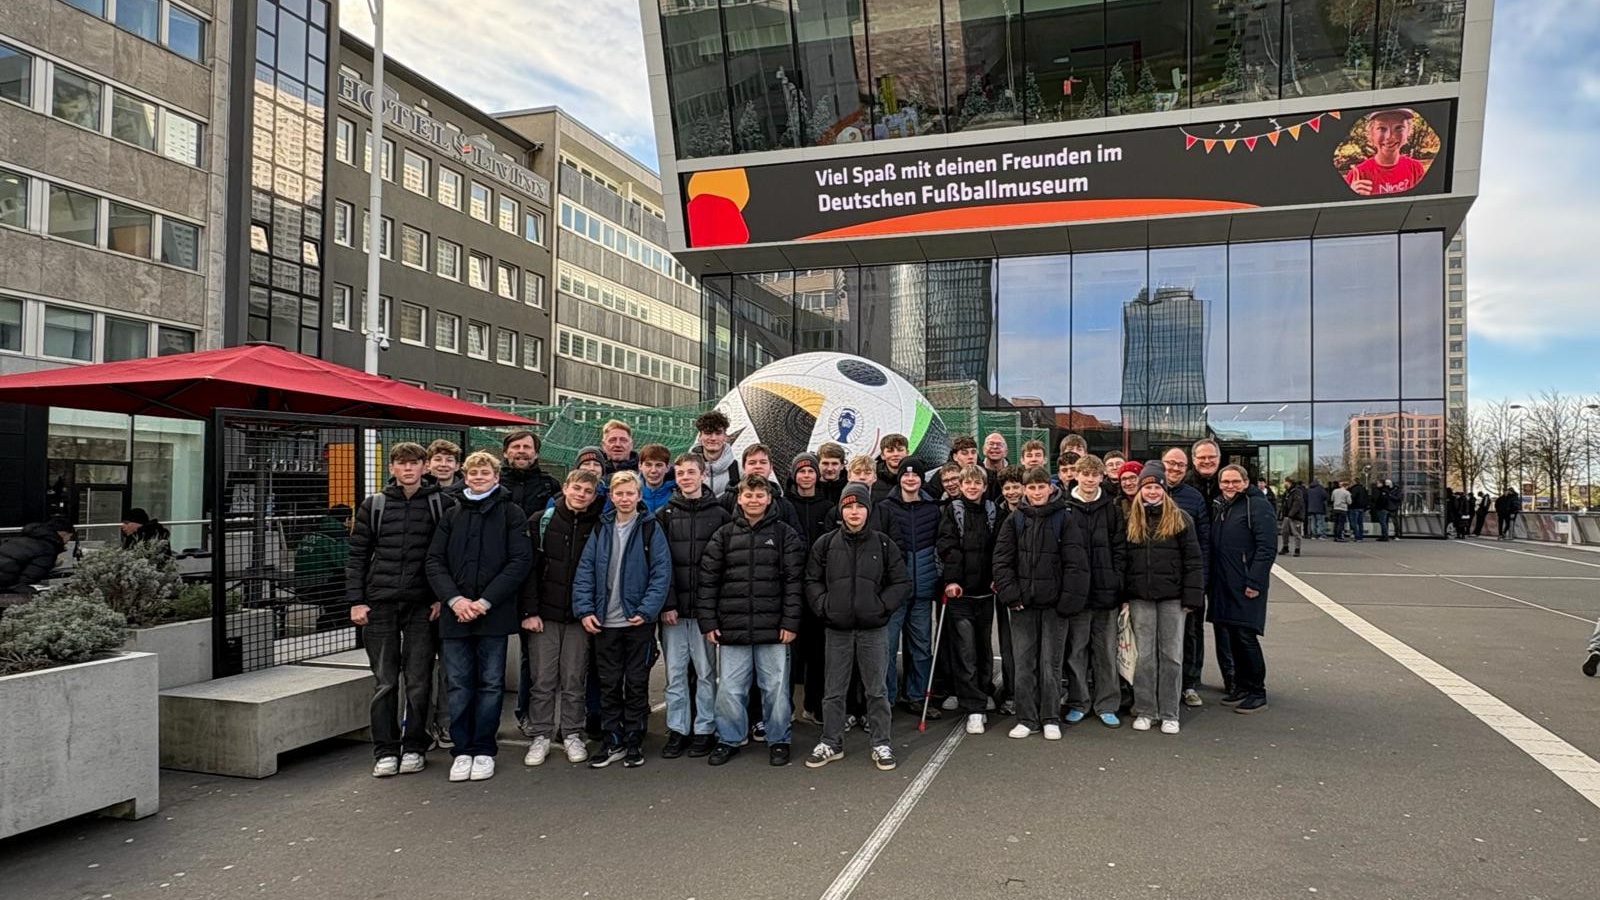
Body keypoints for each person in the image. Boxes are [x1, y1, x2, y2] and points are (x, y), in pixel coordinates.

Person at [427, 451, 533, 783]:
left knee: (490, 684)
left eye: (484, 473)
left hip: (493, 613)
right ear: (465, 475)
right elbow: (434, 561)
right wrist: (455, 600)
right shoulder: (451, 513)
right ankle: (462, 750)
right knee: (458, 684)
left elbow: (519, 561)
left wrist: (485, 601)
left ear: (495, 477)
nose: (478, 477)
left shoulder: (511, 513)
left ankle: (484, 749)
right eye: (473, 473)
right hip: (455, 614)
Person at [346, 442, 451, 778]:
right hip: (380, 604)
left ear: (425, 467)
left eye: (415, 463)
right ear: (392, 468)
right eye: (402, 464)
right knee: (385, 681)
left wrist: (439, 598)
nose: (408, 469)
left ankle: (415, 746)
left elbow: (445, 557)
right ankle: (386, 750)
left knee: (419, 680)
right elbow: (357, 556)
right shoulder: (373, 506)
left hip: (422, 605)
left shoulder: (441, 504)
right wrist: (356, 601)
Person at [699, 474, 806, 767]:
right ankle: (729, 739)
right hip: (733, 628)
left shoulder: (785, 535)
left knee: (775, 689)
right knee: (731, 689)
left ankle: (779, 739)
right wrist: (708, 622)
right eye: (748, 495)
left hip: (774, 629)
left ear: (769, 499)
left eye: (760, 495)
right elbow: (708, 582)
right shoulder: (723, 535)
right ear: (739, 499)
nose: (754, 500)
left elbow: (794, 583)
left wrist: (790, 622)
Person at [805, 482, 910, 771]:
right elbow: (811, 580)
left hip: (873, 629)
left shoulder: (884, 544)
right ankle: (832, 741)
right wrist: (824, 606)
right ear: (841, 509)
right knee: (834, 690)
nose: (854, 511)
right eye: (849, 506)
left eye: (859, 506)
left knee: (876, 690)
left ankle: (881, 742)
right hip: (836, 628)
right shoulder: (825, 544)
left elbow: (900, 582)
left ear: (868, 510)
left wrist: (881, 607)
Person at [572, 471, 672, 769]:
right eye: (620, 494)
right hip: (606, 622)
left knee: (637, 681)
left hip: (637, 622)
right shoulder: (601, 528)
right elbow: (585, 570)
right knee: (609, 683)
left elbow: (661, 572)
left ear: (638, 496)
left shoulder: (650, 528)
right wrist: (585, 610)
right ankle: (612, 737)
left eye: (630, 493)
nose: (625, 498)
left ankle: (634, 737)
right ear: (612, 496)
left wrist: (647, 609)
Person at [993, 465, 1090, 740]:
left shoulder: (1065, 519)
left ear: (1050, 487)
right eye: (1031, 487)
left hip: (1054, 607)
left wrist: (1067, 602)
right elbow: (1001, 561)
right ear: (1024, 489)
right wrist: (1011, 595)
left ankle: (1050, 718)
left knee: (1051, 664)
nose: (1036, 492)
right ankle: (1026, 718)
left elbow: (1076, 564)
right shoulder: (1014, 520)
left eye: (1041, 486)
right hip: (1022, 606)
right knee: (1024, 664)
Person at [519, 469, 604, 767]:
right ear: (565, 487)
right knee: (542, 678)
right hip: (545, 614)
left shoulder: (597, 525)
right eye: (577, 488)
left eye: (588, 491)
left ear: (594, 496)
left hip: (579, 615)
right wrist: (529, 611)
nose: (581, 495)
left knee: (574, 677)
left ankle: (571, 733)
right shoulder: (540, 521)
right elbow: (527, 570)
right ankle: (540, 735)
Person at [655, 454, 731, 758]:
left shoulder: (721, 514)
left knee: (705, 672)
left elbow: (726, 566)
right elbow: (660, 565)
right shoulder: (665, 514)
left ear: (703, 475)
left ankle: (704, 728)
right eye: (681, 473)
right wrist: (667, 603)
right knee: (674, 673)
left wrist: (713, 608)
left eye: (691, 472)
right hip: (674, 612)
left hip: (705, 612)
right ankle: (677, 729)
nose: (686, 477)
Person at [1120, 461, 1204, 734]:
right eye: (1147, 487)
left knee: (1171, 655)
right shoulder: (1131, 520)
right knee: (1145, 656)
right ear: (1140, 490)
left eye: (1156, 486)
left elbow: (1193, 560)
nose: (1152, 491)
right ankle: (1146, 710)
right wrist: (1122, 594)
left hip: (1173, 598)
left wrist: (1192, 597)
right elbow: (1122, 560)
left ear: (1164, 489)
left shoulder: (1180, 519)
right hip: (1140, 597)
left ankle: (1170, 711)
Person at [872, 458, 944, 717]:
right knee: (888, 648)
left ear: (922, 479)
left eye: (915, 475)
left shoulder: (933, 508)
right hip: (894, 593)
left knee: (921, 647)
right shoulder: (885, 508)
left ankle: (917, 695)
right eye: (906, 475)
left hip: (923, 590)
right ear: (900, 478)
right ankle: (888, 698)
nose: (910, 479)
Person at [1062, 455, 1127, 729]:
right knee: (1076, 651)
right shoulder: (1064, 507)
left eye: (1095, 475)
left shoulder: (1111, 509)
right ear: (1076, 475)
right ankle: (1078, 702)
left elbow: (1120, 550)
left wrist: (1116, 584)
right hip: (1076, 595)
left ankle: (1107, 703)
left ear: (1102, 477)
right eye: (1085, 474)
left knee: (1105, 652)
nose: (1090, 479)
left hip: (1105, 593)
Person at [937, 465, 1000, 734]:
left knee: (984, 649)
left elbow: (999, 547)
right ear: (960, 486)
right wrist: (951, 581)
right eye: (967, 483)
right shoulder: (952, 511)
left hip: (986, 592)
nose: (972, 487)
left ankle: (982, 692)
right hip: (961, 594)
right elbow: (947, 547)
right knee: (965, 651)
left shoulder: (992, 511)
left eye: (977, 483)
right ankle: (974, 707)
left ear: (985, 486)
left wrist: (998, 576)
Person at [1210, 465, 1278, 713]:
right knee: (1232, 636)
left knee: (1246, 637)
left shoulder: (1257, 506)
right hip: (1224, 582)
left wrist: (1254, 582)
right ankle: (1241, 686)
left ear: (1245, 481)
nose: (1230, 485)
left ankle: (1257, 690)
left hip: (1246, 583)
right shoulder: (1222, 506)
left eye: (1235, 481)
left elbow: (1267, 547)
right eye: (1225, 481)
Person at [1161, 448, 1212, 708]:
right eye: (1170, 463)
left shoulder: (1194, 498)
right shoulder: (1148, 492)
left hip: (1188, 577)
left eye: (1180, 464)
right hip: (1159, 578)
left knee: (1192, 633)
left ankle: (1190, 684)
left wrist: (1200, 579)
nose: (1175, 468)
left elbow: (1204, 541)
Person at [787, 452, 835, 725]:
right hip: (793, 588)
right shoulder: (784, 504)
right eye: (801, 471)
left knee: (818, 652)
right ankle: (787, 709)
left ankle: (813, 705)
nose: (806, 476)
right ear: (794, 474)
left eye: (810, 471)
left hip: (819, 589)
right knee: (791, 653)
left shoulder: (827, 507)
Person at [1344, 108, 1427, 196]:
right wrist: (1352, 196)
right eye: (1382, 128)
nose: (1390, 136)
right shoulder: (1358, 175)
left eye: (1398, 128)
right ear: (1371, 133)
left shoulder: (1415, 168)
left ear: (1408, 131)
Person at [296, 503, 352, 630]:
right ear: (347, 519)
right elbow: (345, 563)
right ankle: (336, 620)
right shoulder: (337, 536)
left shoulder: (312, 533)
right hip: (323, 587)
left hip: (301, 586)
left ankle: (332, 618)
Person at [499, 430, 561, 519]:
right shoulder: (493, 482)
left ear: (536, 454)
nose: (521, 451)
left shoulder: (550, 484)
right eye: (516, 447)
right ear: (505, 453)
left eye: (527, 447)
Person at [0, 518, 72, 594]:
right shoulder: (47, 549)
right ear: (63, 534)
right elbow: (29, 578)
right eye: (70, 537)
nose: (68, 541)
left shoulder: (21, 540)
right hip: (5, 584)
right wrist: (51, 563)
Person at [691, 410, 741, 497]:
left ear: (725, 436)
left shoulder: (739, 471)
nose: (713, 438)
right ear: (700, 436)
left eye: (718, 433)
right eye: (708, 433)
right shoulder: (685, 470)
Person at [636, 443, 677, 515]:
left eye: (659, 465)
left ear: (668, 467)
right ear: (640, 466)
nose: (653, 470)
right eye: (648, 465)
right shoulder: (630, 492)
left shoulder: (678, 493)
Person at [873, 434, 910, 504]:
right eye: (890, 451)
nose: (895, 454)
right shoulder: (871, 479)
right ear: (882, 455)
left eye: (900, 450)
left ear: (907, 453)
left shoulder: (917, 479)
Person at [1278, 477, 1306, 558]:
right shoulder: (1287, 492)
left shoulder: (1297, 492)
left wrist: (1291, 514)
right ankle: (1285, 546)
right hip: (1287, 516)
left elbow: (1297, 504)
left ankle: (1297, 549)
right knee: (1284, 531)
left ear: (1289, 482)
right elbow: (1284, 503)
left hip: (1295, 516)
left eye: (1285, 482)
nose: (1284, 484)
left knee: (1296, 533)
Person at [1188, 440, 1222, 507]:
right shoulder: (1183, 483)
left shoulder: (1229, 484)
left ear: (1219, 458)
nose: (1207, 461)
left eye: (1211, 457)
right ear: (1193, 460)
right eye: (1202, 457)